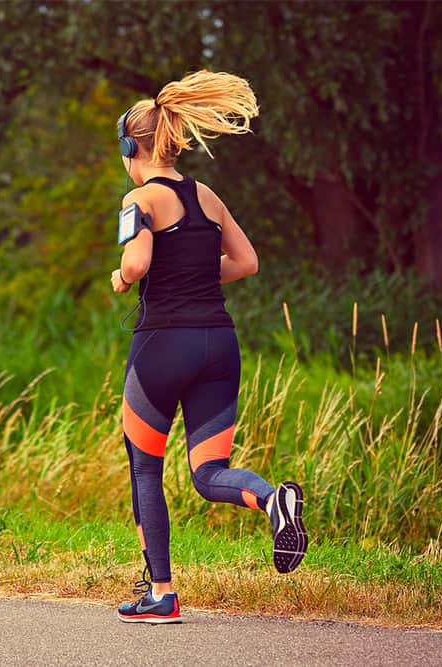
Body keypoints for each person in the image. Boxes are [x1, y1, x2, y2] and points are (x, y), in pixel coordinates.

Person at [110, 70, 307, 624]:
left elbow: (139, 262)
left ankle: (163, 594)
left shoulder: (139, 198)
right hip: (219, 344)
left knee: (145, 469)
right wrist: (194, 274)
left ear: (133, 146)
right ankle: (272, 500)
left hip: (162, 348)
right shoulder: (207, 195)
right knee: (208, 472)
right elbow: (247, 263)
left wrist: (125, 279)